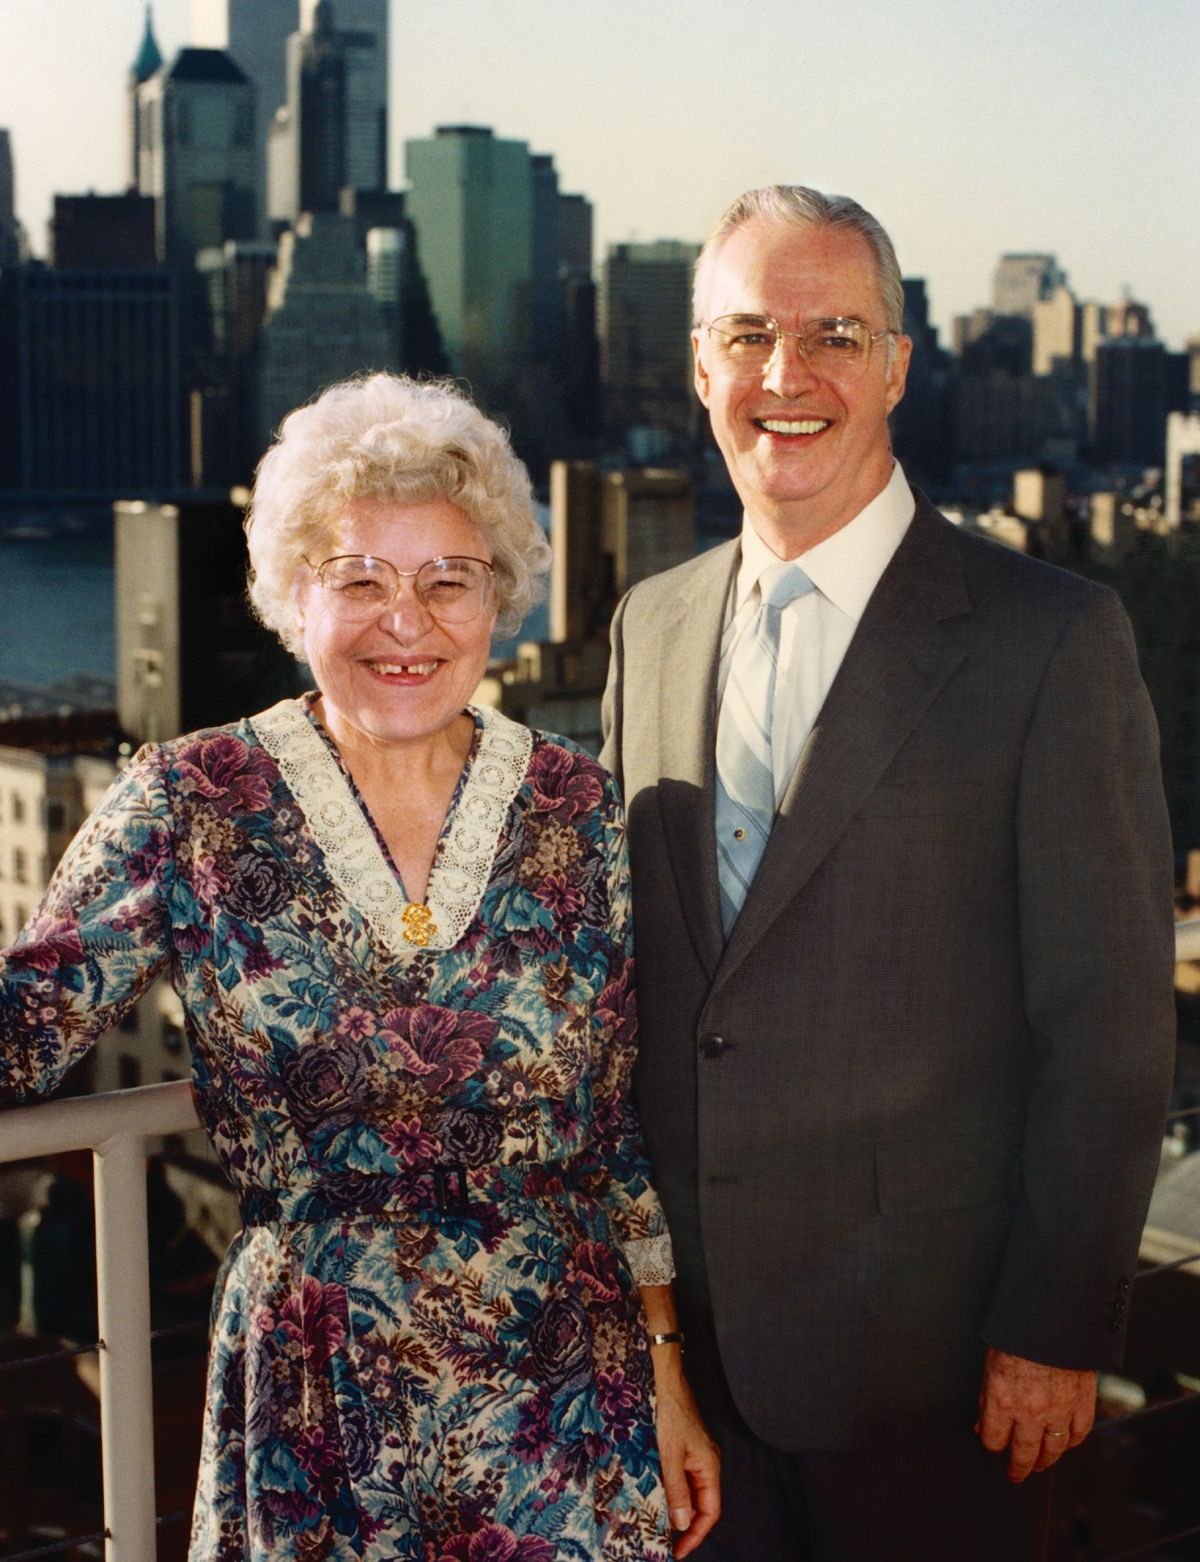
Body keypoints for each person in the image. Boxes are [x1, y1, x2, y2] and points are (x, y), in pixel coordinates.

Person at [0, 373, 719, 1562]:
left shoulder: (581, 806)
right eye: (361, 578)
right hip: (316, 1402)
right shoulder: (191, 800)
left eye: (450, 578)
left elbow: (612, 1134)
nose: (409, 620)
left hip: (567, 1412)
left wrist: (668, 1368)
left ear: (503, 598)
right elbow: (23, 1024)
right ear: (292, 595)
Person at [600, 186, 1176, 1561]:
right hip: (690, 1378)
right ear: (697, 364)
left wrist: (1051, 1326)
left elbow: (1109, 1024)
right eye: (747, 334)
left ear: (899, 365)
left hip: (936, 1371)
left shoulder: (1051, 638)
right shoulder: (650, 623)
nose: (787, 376)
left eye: (835, 333)